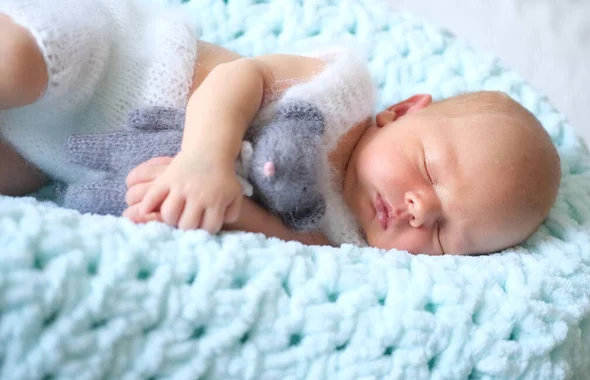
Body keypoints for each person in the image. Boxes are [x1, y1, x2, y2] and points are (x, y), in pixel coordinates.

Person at [0, 0, 561, 255]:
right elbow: (237, 80)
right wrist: (204, 161)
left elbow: (270, 233)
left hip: (59, 150)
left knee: (11, 174)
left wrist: (226, 211)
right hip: (119, 58)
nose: (419, 209)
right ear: (403, 112)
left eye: (442, 234)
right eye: (429, 170)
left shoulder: (341, 239)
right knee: (21, 62)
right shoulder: (341, 91)